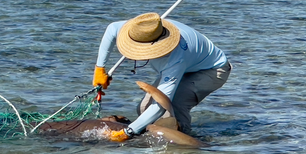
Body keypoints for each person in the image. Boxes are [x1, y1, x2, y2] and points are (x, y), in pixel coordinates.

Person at [92, 12, 231, 142]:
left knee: (174, 106)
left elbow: (159, 105)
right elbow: (111, 29)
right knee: (143, 108)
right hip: (190, 63)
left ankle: (185, 146)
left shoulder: (175, 57)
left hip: (212, 70)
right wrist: (100, 69)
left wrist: (127, 132)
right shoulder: (143, 29)